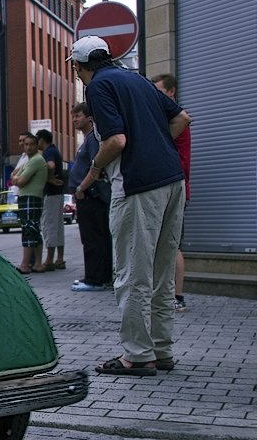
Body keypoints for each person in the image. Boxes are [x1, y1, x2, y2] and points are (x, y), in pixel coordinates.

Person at [70, 36, 190, 377]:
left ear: (79, 67)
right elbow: (182, 118)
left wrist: (95, 168)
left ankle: (137, 355)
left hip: (138, 186)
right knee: (162, 271)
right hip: (172, 180)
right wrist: (156, 146)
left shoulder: (97, 87)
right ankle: (162, 349)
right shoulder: (136, 78)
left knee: (132, 273)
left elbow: (116, 141)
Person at [152, 73, 190, 312]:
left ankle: (177, 296)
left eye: (159, 92)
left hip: (174, 187)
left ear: (171, 92)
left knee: (172, 245)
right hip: (169, 187)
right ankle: (168, 295)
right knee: (164, 244)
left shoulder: (175, 119)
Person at [68, 102, 112, 292]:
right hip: (88, 195)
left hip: (91, 196)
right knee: (97, 237)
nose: (74, 120)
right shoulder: (88, 139)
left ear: (89, 118)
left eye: (78, 116)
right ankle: (100, 277)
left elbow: (97, 167)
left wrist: (81, 188)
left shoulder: (93, 138)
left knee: (93, 238)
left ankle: (95, 279)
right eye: (73, 116)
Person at [10, 133, 46, 274]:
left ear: (37, 145)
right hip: (28, 197)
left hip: (31, 197)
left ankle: (25, 264)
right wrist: (16, 178)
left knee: (29, 230)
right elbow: (14, 176)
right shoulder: (29, 161)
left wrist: (16, 178)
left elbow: (20, 181)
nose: (28, 147)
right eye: (26, 144)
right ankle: (37, 264)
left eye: (31, 144)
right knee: (34, 230)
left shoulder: (36, 160)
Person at [34, 129, 65, 271]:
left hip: (51, 194)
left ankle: (49, 259)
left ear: (41, 140)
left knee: (49, 225)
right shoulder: (55, 150)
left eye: (37, 140)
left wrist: (48, 178)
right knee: (58, 226)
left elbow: (50, 165)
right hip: (58, 193)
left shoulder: (48, 152)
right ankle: (59, 259)